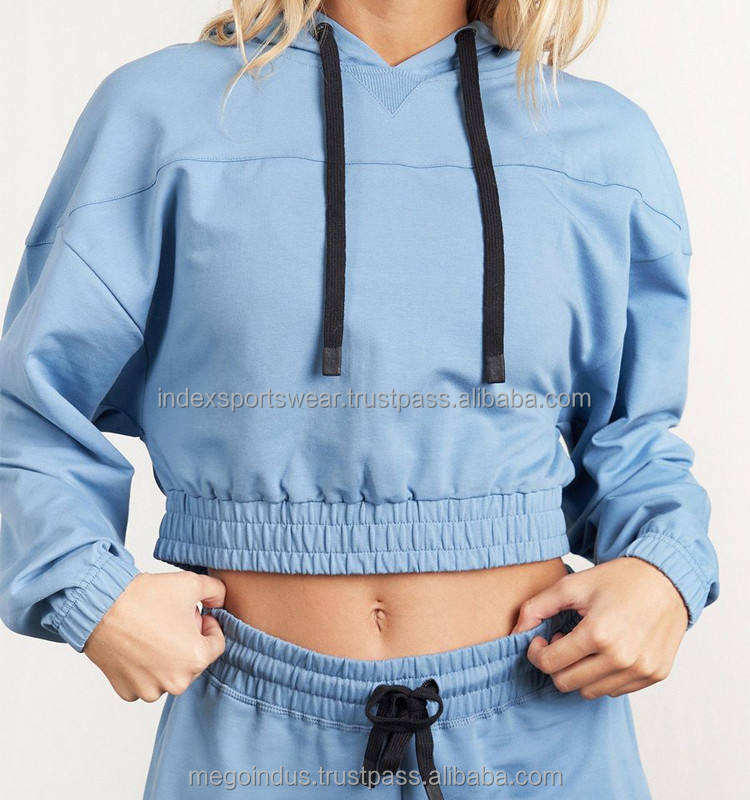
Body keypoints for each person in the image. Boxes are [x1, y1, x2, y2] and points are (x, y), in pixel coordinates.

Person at [0, 1, 718, 797]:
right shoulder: (162, 114)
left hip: (543, 725)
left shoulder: (602, 140)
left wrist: (665, 570)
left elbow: (631, 436)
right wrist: (87, 589)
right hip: (249, 737)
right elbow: (28, 404)